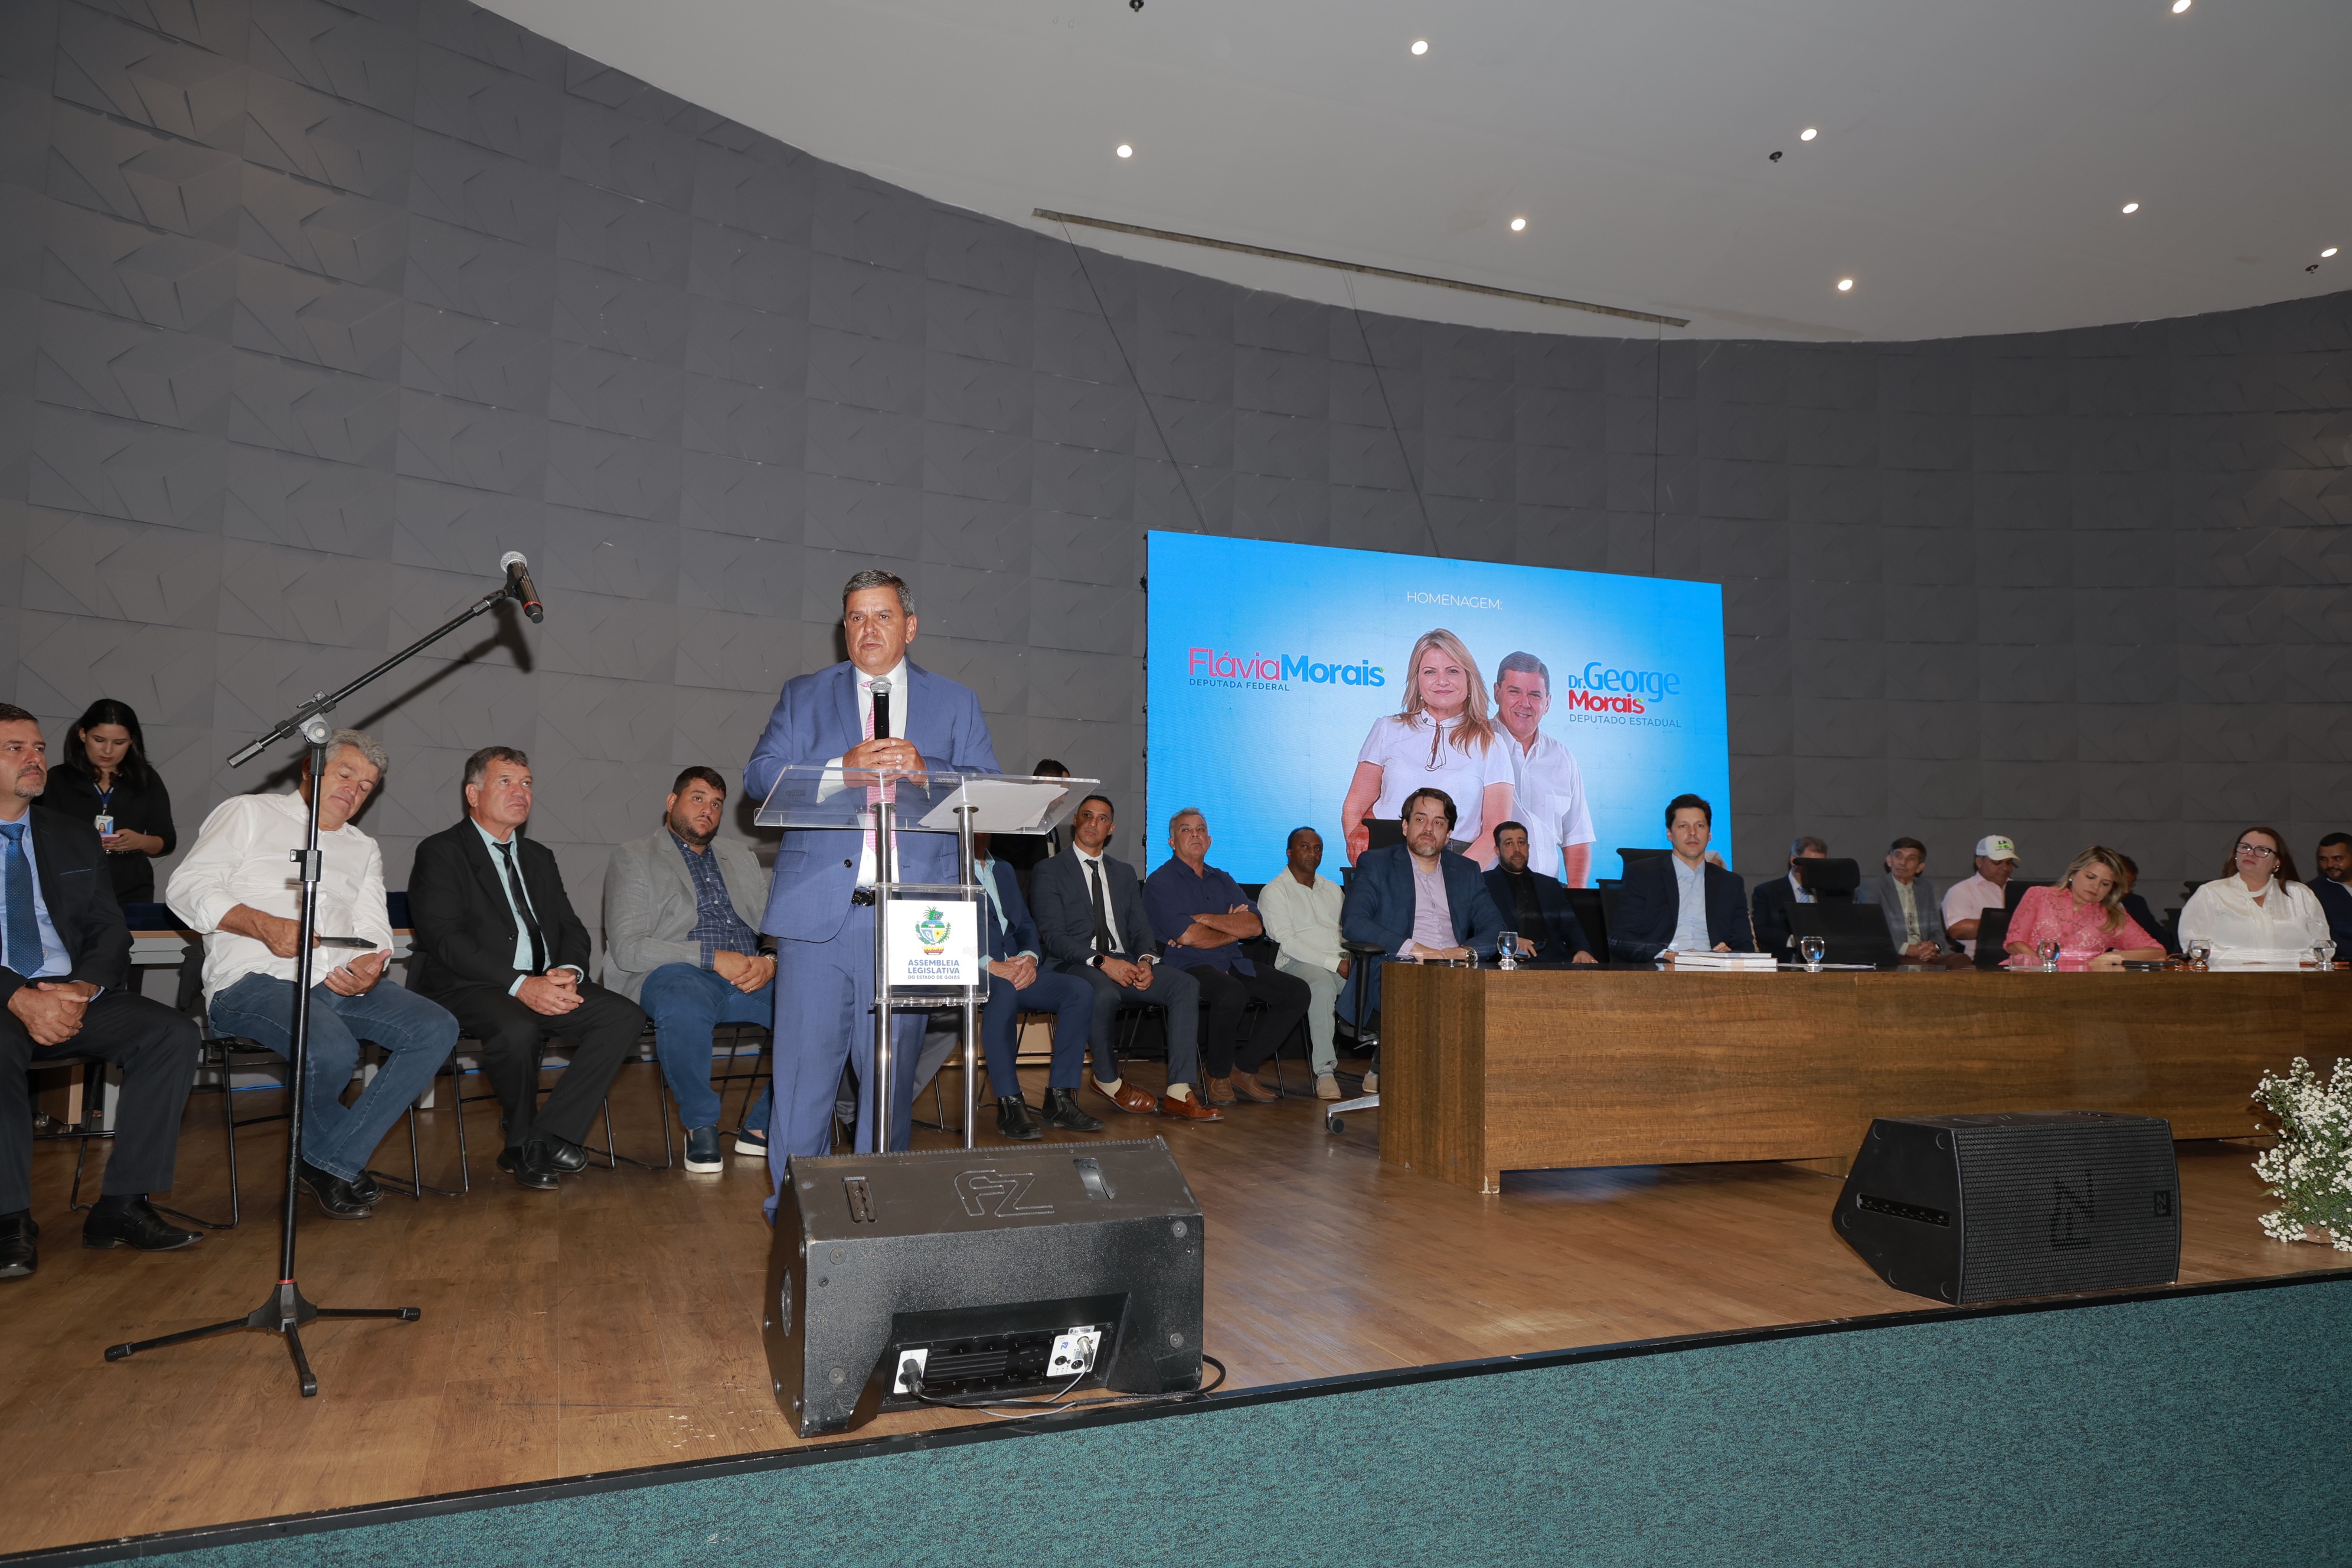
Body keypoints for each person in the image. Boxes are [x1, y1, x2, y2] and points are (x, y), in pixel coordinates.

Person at [744, 569, 1003, 1190]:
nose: (868, 628)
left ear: (909, 627)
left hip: (912, 921)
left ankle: (877, 1217)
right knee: (802, 1084)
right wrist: (841, 768)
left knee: (887, 1090)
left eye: (882, 616)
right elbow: (759, 777)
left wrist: (927, 769)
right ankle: (794, 1216)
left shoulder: (956, 701)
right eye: (856, 617)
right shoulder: (804, 695)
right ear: (844, 628)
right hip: (817, 920)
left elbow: (987, 789)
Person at [169, 729, 457, 1219]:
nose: (354, 790)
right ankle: (333, 1163)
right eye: (345, 774)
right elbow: (186, 888)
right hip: (253, 981)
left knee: (436, 1028)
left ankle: (329, 1160)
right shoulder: (248, 813)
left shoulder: (362, 847)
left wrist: (371, 965)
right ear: (311, 767)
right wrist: (261, 924)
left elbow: (373, 926)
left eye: (366, 786)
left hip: (337, 982)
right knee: (331, 1047)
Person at [1, 703, 203, 1279]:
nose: (35, 758)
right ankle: (9, 1219)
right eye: (16, 748)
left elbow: (108, 928)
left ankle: (122, 1206)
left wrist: (81, 986)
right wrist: (19, 996)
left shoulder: (68, 834)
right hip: (3, 997)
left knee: (170, 1034)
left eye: (38, 747)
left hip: (72, 991)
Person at [407, 746, 648, 1190]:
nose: (520, 792)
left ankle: (547, 1135)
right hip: (468, 984)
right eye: (506, 782)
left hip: (542, 979)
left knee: (623, 1017)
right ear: (473, 794)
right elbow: (445, 940)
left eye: (527, 784)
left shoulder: (538, 856)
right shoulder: (441, 852)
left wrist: (569, 971)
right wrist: (520, 985)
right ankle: (520, 1138)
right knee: (518, 1028)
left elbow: (570, 926)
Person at [602, 767, 776, 1174]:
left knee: (820, 1010)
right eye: (697, 798)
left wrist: (769, 960)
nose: (707, 810)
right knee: (683, 1003)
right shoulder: (634, 856)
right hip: (677, 971)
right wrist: (711, 958)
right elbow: (629, 948)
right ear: (671, 802)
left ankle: (763, 1127)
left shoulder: (740, 855)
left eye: (716, 803)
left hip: (748, 973)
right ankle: (701, 1126)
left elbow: (773, 924)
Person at [1030, 795, 1217, 1121]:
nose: (1093, 823)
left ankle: (1179, 1091)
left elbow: (1142, 929)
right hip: (1077, 964)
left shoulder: (1124, 873)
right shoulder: (1050, 870)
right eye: (1087, 816)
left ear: (1111, 828)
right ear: (1076, 821)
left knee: (1185, 985)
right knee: (1102, 991)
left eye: (1102, 818)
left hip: (1125, 961)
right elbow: (1055, 937)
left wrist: (1145, 962)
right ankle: (1107, 1079)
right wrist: (1103, 962)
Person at [1338, 788, 1506, 1086]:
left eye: (1439, 822)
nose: (1429, 829)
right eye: (1420, 819)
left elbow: (1495, 927)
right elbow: (1355, 922)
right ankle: (1414, 1086)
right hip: (1398, 968)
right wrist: (1414, 949)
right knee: (1435, 1007)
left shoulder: (1466, 870)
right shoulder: (1376, 863)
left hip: (1455, 969)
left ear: (1449, 834)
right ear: (1405, 826)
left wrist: (1465, 952)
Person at [1144, 810, 1310, 1107]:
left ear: (1209, 841)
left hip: (1233, 961)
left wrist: (1204, 919)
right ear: (1172, 842)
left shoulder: (1223, 879)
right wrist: (1232, 930)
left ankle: (1243, 1069)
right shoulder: (1160, 881)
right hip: (1187, 965)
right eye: (1186, 830)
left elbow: (1255, 926)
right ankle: (1217, 1073)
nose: (1195, 834)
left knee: (1297, 992)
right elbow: (1189, 937)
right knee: (1231, 992)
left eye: (1201, 830)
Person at [1340, 629, 1513, 869]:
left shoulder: (1491, 744)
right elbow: (1355, 806)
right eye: (1430, 672)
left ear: (1469, 678)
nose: (1442, 681)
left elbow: (1496, 830)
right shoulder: (1387, 728)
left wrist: (1456, 879)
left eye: (1452, 671)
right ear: (1417, 680)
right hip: (1385, 860)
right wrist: (1363, 857)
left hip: (1457, 862)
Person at [971, 833, 1101, 1141]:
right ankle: (1010, 1103)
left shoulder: (1003, 868)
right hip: (973, 968)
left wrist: (1029, 958)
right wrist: (987, 963)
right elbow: (940, 924)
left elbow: (1026, 923)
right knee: (1002, 992)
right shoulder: (946, 868)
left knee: (1079, 990)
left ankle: (1060, 1098)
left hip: (1016, 966)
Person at [41, 699, 175, 907]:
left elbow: (167, 841)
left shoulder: (146, 779)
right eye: (99, 740)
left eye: (119, 743)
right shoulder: (58, 779)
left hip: (131, 889)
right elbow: (40, 838)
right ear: (83, 734)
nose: (108, 750)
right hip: (70, 886)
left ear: (131, 741)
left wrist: (140, 842)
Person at [1257, 828, 1350, 1100]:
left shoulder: (1333, 889)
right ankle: (1325, 1070)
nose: (1313, 853)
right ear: (1289, 852)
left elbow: (1348, 933)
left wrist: (1351, 960)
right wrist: (1335, 964)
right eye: (1305, 847)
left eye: (1318, 848)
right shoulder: (1275, 891)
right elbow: (1288, 943)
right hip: (1295, 964)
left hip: (1340, 962)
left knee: (1379, 981)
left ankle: (1378, 1065)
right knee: (1321, 985)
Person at [1490, 653, 1596, 886]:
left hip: (1547, 895)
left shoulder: (1562, 757)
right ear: (1497, 693)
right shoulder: (1474, 744)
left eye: (1534, 695)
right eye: (1514, 692)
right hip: (1485, 893)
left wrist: (1576, 897)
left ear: (1547, 703)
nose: (1525, 703)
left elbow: (1576, 837)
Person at [1608, 795, 1753, 962]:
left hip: (1714, 969)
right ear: (1669, 833)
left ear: (1709, 834)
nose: (1692, 833)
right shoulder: (1643, 874)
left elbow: (1744, 945)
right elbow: (1620, 940)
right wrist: (1667, 955)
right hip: (1662, 968)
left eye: (1700, 825)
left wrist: (1730, 954)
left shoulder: (1730, 883)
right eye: (1683, 826)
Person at [2177, 827, 2330, 962]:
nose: (2250, 854)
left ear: (2277, 862)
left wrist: (2287, 966)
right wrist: (2245, 963)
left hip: (2295, 978)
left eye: (2262, 850)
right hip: (2227, 978)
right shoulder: (2211, 893)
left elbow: (2322, 947)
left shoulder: (2301, 894)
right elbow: (2194, 945)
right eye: (2245, 847)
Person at [2002, 847, 2165, 969]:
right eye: (2090, 877)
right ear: (2073, 873)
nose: (2095, 886)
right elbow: (2014, 942)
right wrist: (2044, 968)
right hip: (2029, 977)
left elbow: (2157, 952)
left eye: (2105, 884)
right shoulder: (2039, 895)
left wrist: (2114, 957)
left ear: (2111, 889)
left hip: (2084, 986)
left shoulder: (2112, 916)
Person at [1483, 821, 1596, 963]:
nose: (1517, 849)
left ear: (1528, 847)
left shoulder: (1549, 885)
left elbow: (1569, 924)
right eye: (1509, 844)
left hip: (1553, 961)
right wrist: (1510, 942)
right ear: (1497, 850)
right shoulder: (1483, 884)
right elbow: (1479, 928)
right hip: (1504, 962)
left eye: (1521, 842)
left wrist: (1582, 950)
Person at [1857, 838, 1958, 965]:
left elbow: (1935, 929)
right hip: (1893, 955)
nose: (1903, 863)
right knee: (1922, 967)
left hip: (1924, 955)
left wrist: (1934, 947)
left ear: (1920, 867)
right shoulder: (1873, 887)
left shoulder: (1925, 888)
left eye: (1911, 859)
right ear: (1889, 860)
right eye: (1898, 856)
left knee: (1960, 960)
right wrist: (1907, 949)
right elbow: (1870, 930)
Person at [991, 758, 1072, 902]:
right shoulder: (1017, 817)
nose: (1063, 800)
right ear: (1048, 784)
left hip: (1046, 898)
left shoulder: (1049, 822)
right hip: (1021, 900)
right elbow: (1010, 866)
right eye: (1063, 792)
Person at [1940, 835, 2018, 958]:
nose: (2005, 868)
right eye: (1997, 862)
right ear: (1979, 862)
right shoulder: (1961, 891)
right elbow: (1957, 930)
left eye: (2009, 863)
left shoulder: (2021, 890)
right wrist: (2010, 924)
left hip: (2021, 961)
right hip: (1980, 962)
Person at [1749, 836, 1828, 956]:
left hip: (1823, 960)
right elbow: (1760, 930)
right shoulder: (1768, 892)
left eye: (1820, 865)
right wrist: (1793, 941)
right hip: (1784, 960)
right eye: (1810, 863)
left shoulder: (1828, 893)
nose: (1815, 869)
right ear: (1794, 861)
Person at [2113, 854, 2180, 956]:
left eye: (2131, 885)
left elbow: (2159, 936)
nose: (2127, 890)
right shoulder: (2094, 909)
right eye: (2123, 885)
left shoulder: (2136, 902)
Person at [2309, 834, 2352, 948]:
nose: (2330, 865)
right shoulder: (2312, 893)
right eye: (2323, 859)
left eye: (2338, 859)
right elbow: (2326, 940)